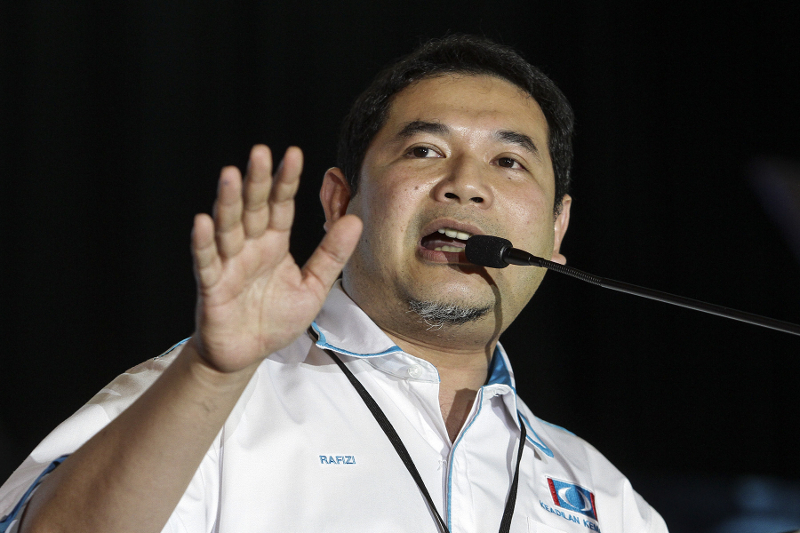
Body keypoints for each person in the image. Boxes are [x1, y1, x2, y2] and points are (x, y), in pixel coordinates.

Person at [0, 35, 668, 533]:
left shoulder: (598, 491)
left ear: (556, 229)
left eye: (509, 160)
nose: (465, 183)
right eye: (424, 150)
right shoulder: (204, 399)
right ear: (340, 200)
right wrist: (209, 373)